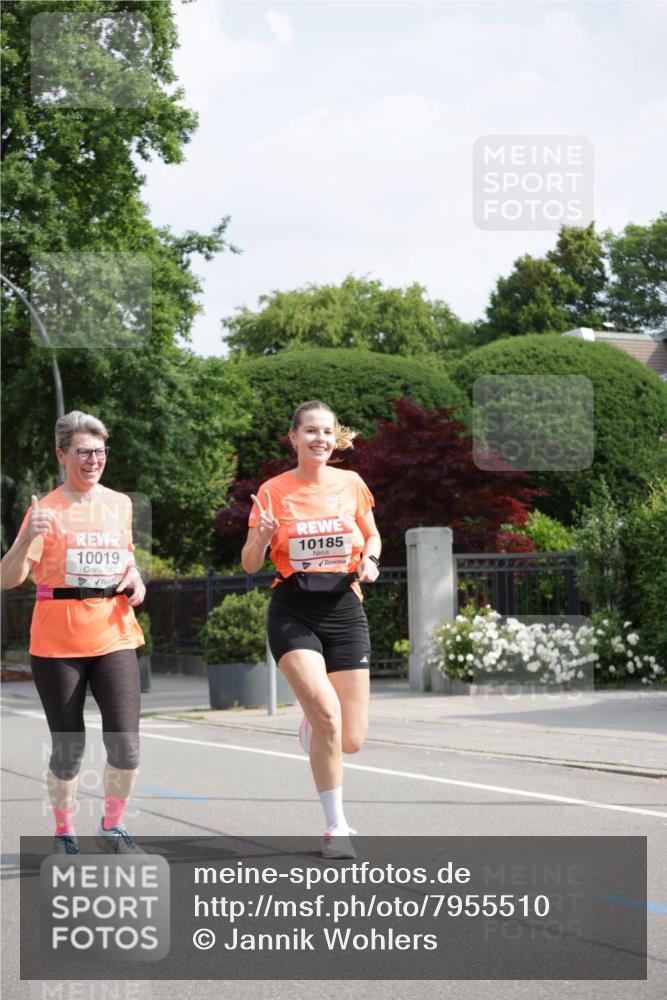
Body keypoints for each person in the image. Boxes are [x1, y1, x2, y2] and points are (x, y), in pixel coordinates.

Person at [0, 411, 146, 855]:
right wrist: (26, 539)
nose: (93, 460)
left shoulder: (119, 502)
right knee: (69, 746)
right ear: (62, 454)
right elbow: (9, 578)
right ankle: (65, 832)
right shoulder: (44, 510)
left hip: (114, 631)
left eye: (100, 452)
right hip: (57, 642)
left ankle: (113, 825)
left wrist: (136, 577)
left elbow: (126, 558)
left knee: (126, 744)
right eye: (84, 452)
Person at [241, 401, 381, 859]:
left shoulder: (351, 484)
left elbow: (373, 534)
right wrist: (261, 536)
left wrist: (371, 560)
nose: (319, 439)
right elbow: (249, 563)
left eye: (327, 431)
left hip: (345, 608)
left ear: (334, 437)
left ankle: (315, 727)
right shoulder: (273, 491)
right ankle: (335, 826)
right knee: (328, 715)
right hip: (293, 610)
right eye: (310, 432)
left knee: (351, 739)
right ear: (294, 437)